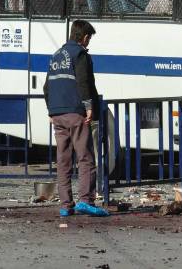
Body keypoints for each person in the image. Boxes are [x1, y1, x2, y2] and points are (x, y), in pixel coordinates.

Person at [43, 20, 109, 217]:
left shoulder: (56, 56)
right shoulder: (80, 54)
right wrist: (89, 107)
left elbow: (47, 87)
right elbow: (83, 81)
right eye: (89, 39)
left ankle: (65, 205)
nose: (89, 43)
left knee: (63, 159)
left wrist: (50, 111)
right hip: (75, 112)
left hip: (57, 114)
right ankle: (86, 201)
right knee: (86, 156)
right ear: (85, 37)